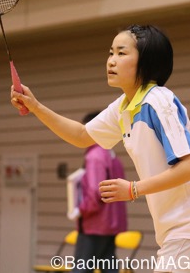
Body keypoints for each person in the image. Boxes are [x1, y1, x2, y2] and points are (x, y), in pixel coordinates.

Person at [11, 24, 190, 273]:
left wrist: (133, 189)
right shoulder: (124, 107)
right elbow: (82, 135)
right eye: (110, 53)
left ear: (146, 61)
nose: (111, 61)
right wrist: (35, 107)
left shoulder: (158, 101)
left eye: (121, 53)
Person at [69, 111, 127, 273]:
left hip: (94, 224)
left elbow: (95, 193)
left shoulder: (94, 156)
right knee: (109, 268)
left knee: (80, 270)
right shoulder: (112, 155)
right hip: (111, 224)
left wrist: (80, 210)